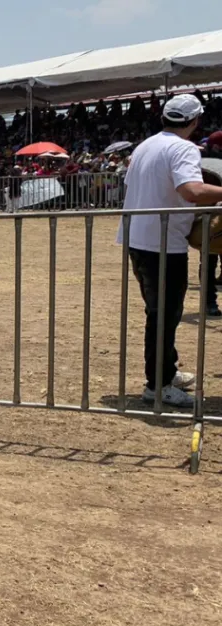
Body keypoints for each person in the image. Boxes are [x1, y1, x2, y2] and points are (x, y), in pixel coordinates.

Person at [117, 94, 222, 408]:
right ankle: (158, 384)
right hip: (161, 243)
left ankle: (165, 371)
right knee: (164, 315)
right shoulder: (184, 147)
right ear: (194, 121)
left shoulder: (146, 145)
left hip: (140, 238)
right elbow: (190, 189)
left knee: (161, 312)